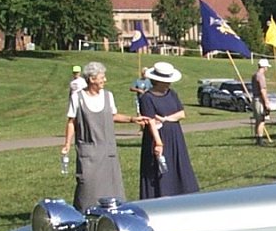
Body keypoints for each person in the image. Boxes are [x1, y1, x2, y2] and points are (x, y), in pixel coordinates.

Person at [61, 61, 143, 211]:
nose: (105, 80)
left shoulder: (108, 96)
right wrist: (67, 143)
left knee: (111, 186)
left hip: (107, 151)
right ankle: (85, 214)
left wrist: (132, 119)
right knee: (87, 186)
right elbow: (71, 121)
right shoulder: (77, 98)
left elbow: (113, 116)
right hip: (88, 152)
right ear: (92, 79)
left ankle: (111, 214)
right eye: (102, 77)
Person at [137, 62, 199, 199]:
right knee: (160, 169)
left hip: (174, 134)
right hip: (158, 136)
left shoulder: (172, 94)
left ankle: (181, 192)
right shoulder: (147, 98)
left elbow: (181, 114)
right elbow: (151, 121)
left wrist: (165, 118)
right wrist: (158, 142)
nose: (168, 84)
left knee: (177, 164)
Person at [252, 58, 273, 145]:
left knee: (258, 120)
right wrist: (266, 102)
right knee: (261, 120)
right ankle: (260, 139)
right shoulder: (261, 76)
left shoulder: (254, 75)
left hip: (255, 98)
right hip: (259, 99)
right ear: (264, 67)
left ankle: (257, 137)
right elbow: (263, 90)